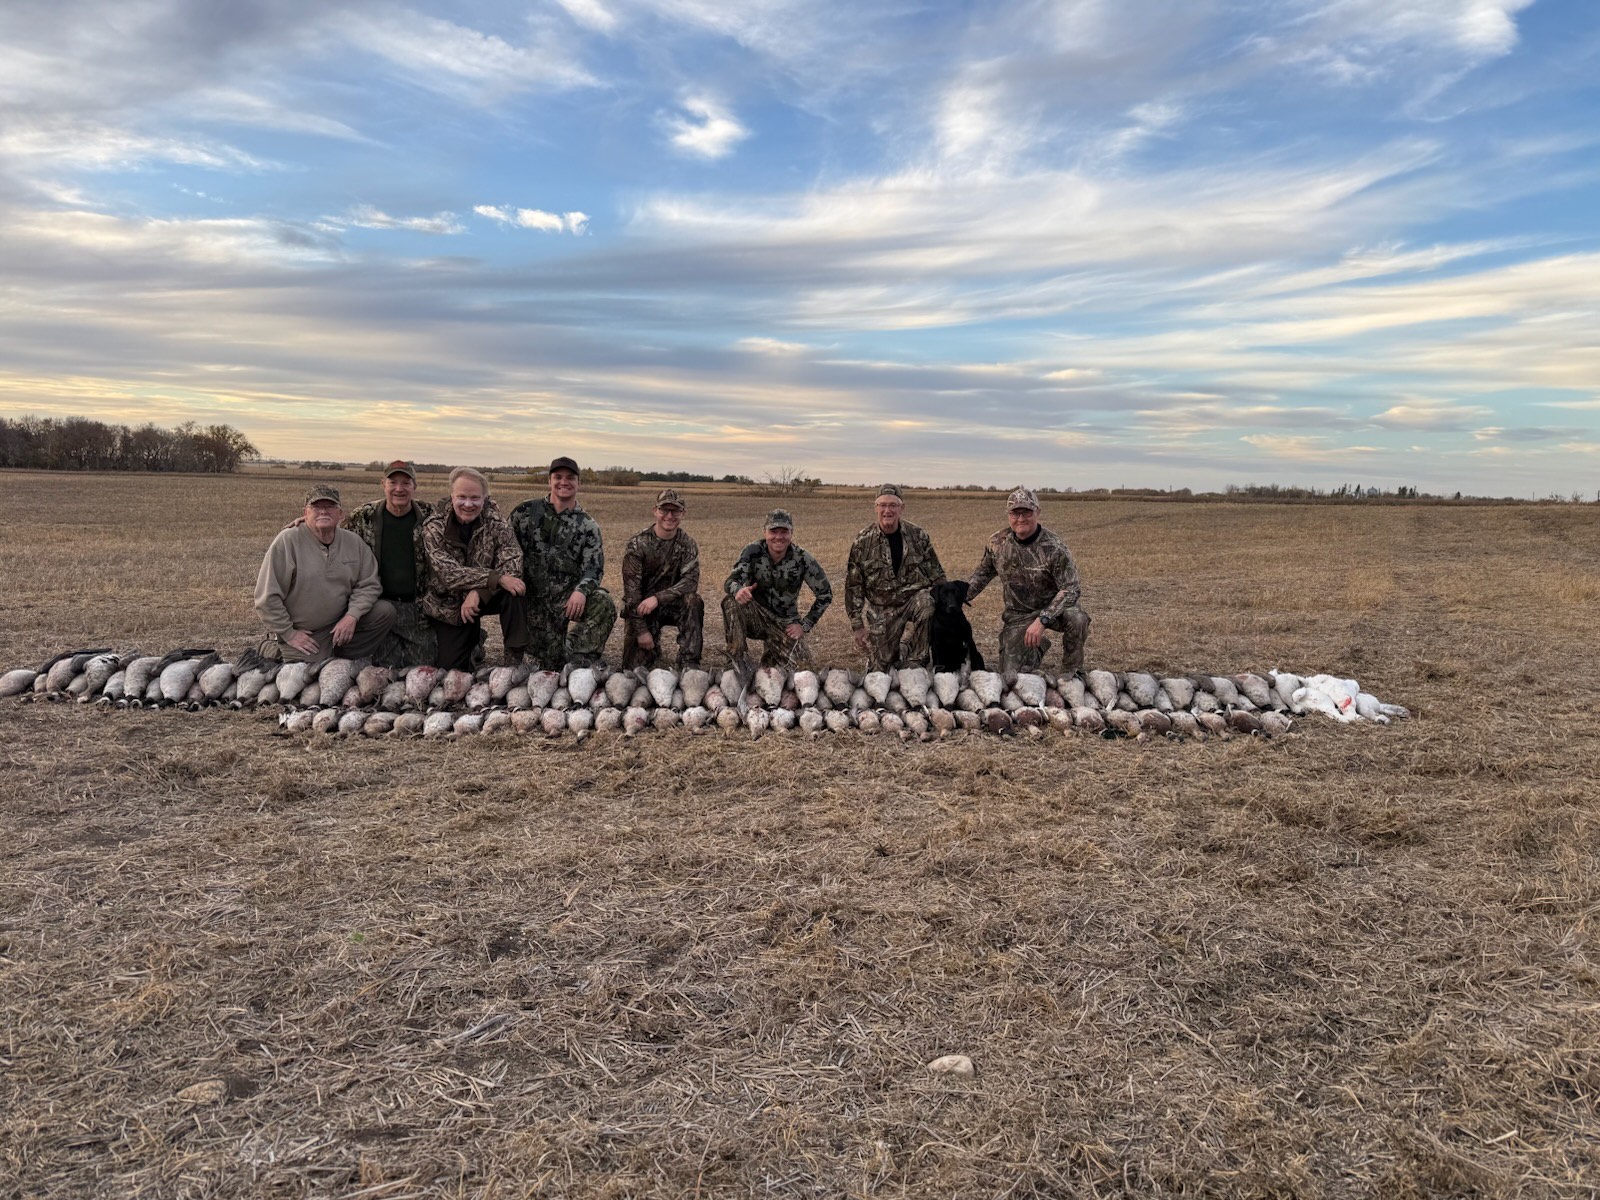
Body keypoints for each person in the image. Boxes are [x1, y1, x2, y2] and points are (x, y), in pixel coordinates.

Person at [254, 485, 396, 665]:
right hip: (306, 632)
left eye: (329, 506)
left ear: (340, 514)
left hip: (340, 623)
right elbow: (267, 598)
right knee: (306, 672)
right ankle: (272, 647)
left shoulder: (354, 543)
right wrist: (289, 633)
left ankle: (341, 656)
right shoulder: (287, 541)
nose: (323, 511)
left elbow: (369, 584)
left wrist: (352, 616)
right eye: (316, 507)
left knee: (384, 612)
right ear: (305, 513)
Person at [965, 486, 1090, 674]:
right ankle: (1036, 647)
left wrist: (1043, 619)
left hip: (1053, 610)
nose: (1021, 519)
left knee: (1077, 618)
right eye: (1015, 513)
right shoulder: (997, 543)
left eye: (1027, 512)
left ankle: (1072, 671)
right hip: (1018, 614)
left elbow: (1071, 589)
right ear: (1008, 514)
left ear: (1037, 512)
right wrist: (955, 596)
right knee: (1010, 674)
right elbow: (981, 576)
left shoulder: (1054, 547)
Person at [509, 456, 617, 668]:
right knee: (550, 662)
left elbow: (594, 568)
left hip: (566, 599)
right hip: (531, 599)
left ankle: (581, 658)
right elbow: (505, 552)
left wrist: (581, 592)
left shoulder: (587, 525)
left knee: (603, 603)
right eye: (558, 477)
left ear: (578, 483)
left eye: (570, 478)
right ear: (549, 481)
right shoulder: (524, 512)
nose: (563, 482)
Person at [419, 467, 529, 670]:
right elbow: (449, 574)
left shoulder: (497, 524)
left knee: (514, 591)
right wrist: (495, 578)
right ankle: (475, 641)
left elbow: (512, 566)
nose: (468, 504)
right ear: (452, 495)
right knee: (453, 671)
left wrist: (478, 592)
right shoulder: (433, 527)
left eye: (475, 498)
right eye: (461, 497)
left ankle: (514, 663)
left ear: (485, 498)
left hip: (485, 597)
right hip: (449, 603)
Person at [337, 460, 435, 667]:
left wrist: (488, 506)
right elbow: (332, 536)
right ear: (383, 484)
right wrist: (301, 525)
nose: (399, 489)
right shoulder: (364, 516)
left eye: (406, 483)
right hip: (380, 606)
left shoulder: (431, 515)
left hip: (417, 607)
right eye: (393, 482)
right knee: (383, 666)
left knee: (426, 666)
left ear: (414, 487)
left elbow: (466, 515)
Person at [844, 483, 946, 671]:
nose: (887, 510)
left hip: (912, 600)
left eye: (893, 505)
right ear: (875, 508)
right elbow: (853, 586)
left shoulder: (918, 535)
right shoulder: (862, 541)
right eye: (882, 505)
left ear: (902, 508)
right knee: (883, 666)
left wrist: (947, 610)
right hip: (881, 607)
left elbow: (937, 575)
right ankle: (903, 646)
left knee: (927, 604)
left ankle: (917, 660)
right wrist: (857, 626)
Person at [722, 509, 832, 669]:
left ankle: (770, 657)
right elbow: (731, 580)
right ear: (764, 532)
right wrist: (738, 589)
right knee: (731, 602)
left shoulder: (803, 558)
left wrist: (805, 625)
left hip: (785, 623)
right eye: (773, 531)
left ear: (791, 533)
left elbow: (825, 594)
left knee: (803, 668)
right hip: (756, 616)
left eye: (784, 531)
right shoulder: (752, 551)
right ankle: (736, 662)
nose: (779, 537)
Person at [620, 488, 704, 670]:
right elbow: (631, 593)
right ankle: (652, 641)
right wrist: (641, 631)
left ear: (683, 514)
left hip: (671, 604)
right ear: (655, 511)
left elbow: (691, 582)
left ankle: (689, 661)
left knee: (693, 600)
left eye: (676, 511)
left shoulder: (687, 544)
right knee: (633, 670)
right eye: (664, 510)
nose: (669, 516)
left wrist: (658, 598)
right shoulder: (637, 544)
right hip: (642, 607)